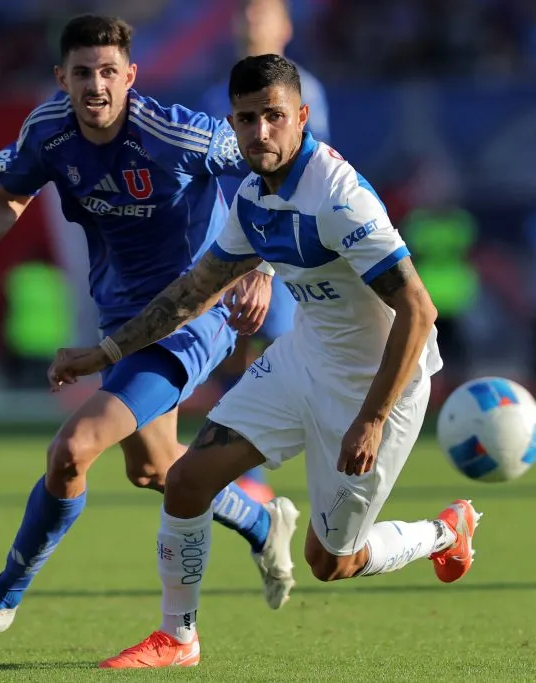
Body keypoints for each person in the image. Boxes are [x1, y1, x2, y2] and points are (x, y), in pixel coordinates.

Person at [49, 55, 482, 669]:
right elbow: (192, 292)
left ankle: (444, 532)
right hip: (302, 359)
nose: (260, 133)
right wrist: (108, 352)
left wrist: (371, 418)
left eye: (274, 117)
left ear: (302, 118)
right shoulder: (252, 196)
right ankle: (178, 636)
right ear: (233, 122)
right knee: (187, 481)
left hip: (375, 385)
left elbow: (418, 311)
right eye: (247, 119)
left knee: (331, 562)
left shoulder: (340, 198)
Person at [0, 16, 301, 651]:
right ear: (63, 79)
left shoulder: (173, 133)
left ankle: (1, 598)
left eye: (109, 73)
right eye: (82, 73)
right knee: (156, 471)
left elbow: (267, 166)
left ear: (131, 77)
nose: (95, 86)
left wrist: (260, 265)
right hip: (123, 318)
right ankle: (262, 522)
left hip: (194, 314)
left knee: (74, 448)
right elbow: (8, 196)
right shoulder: (48, 131)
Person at [199, 0, 332, 502]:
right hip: (230, 240)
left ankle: (278, 463)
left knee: (281, 350)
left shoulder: (306, 92)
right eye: (244, 14)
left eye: (262, 13)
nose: (250, 22)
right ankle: (247, 473)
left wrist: (270, 261)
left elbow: (312, 176)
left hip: (282, 244)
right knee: (231, 350)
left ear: (286, 27)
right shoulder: (218, 93)